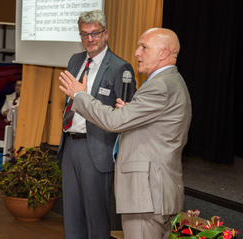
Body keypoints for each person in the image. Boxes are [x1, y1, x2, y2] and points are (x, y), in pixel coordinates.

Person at [59, 27, 192, 239]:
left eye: (144, 47)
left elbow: (113, 121)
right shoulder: (170, 81)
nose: (137, 52)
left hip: (146, 192)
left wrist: (79, 95)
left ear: (163, 53)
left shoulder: (160, 85)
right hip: (154, 190)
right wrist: (129, 113)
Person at [57, 10, 136, 239]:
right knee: (71, 216)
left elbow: (127, 114)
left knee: (96, 220)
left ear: (106, 34)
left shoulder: (121, 67)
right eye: (84, 34)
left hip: (97, 148)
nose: (89, 39)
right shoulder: (75, 60)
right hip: (70, 144)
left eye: (95, 34)